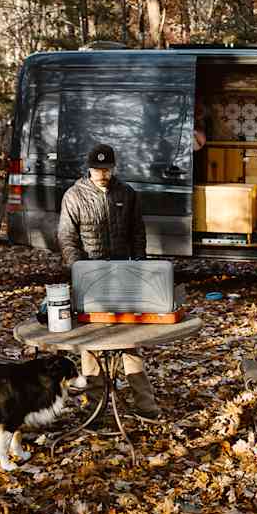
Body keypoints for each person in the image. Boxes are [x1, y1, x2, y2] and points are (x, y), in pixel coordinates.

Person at [57, 143, 161, 419]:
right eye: (97, 168)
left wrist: (139, 267)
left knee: (129, 340)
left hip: (123, 277)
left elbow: (138, 233)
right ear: (89, 168)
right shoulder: (74, 196)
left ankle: (145, 404)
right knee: (91, 341)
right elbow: (67, 238)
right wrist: (79, 269)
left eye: (107, 168)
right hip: (88, 278)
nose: (102, 173)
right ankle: (95, 407)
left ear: (113, 168)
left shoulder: (127, 194)